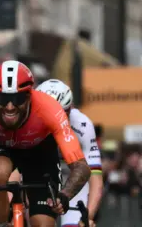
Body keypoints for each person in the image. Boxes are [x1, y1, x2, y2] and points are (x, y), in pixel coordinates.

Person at [0, 60, 91, 227]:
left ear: (30, 96)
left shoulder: (50, 109)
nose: (10, 107)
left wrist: (65, 195)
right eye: (3, 98)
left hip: (40, 153)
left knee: (43, 224)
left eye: (18, 99)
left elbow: (81, 166)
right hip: (0, 148)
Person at [36, 79, 103, 227]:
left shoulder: (82, 124)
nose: (55, 120)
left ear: (70, 108)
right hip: (40, 177)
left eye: (62, 113)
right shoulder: (26, 122)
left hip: (72, 179)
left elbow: (95, 177)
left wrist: (88, 216)